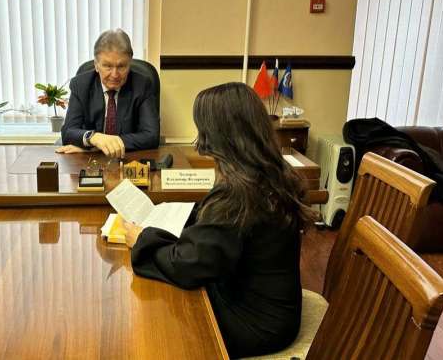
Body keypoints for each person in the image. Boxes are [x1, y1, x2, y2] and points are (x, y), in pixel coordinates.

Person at [123, 82, 315, 358]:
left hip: (257, 324)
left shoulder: (239, 192)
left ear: (217, 134)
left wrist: (142, 240)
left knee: (160, 324)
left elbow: (190, 265)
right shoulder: (267, 172)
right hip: (274, 309)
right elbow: (218, 237)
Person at [57, 29, 160, 158]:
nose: (115, 74)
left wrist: (100, 146)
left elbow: (151, 135)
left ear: (129, 64)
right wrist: (93, 138)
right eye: (107, 66)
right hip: (89, 164)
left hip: (128, 160)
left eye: (121, 66)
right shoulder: (81, 85)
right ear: (96, 65)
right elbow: (68, 132)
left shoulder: (142, 85)